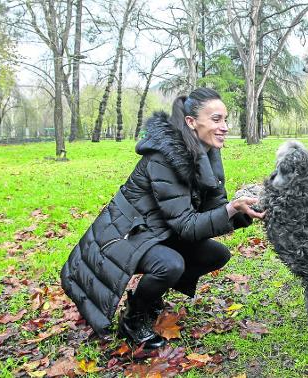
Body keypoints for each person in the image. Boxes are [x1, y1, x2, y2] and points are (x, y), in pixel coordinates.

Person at [60, 88, 264, 349]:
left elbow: (214, 209)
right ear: (191, 123)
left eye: (225, 120)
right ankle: (133, 318)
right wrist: (231, 209)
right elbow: (188, 225)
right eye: (216, 120)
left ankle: (151, 296)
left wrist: (242, 210)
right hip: (121, 237)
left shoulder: (207, 152)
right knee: (170, 264)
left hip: (157, 232)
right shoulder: (164, 158)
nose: (224, 127)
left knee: (217, 254)